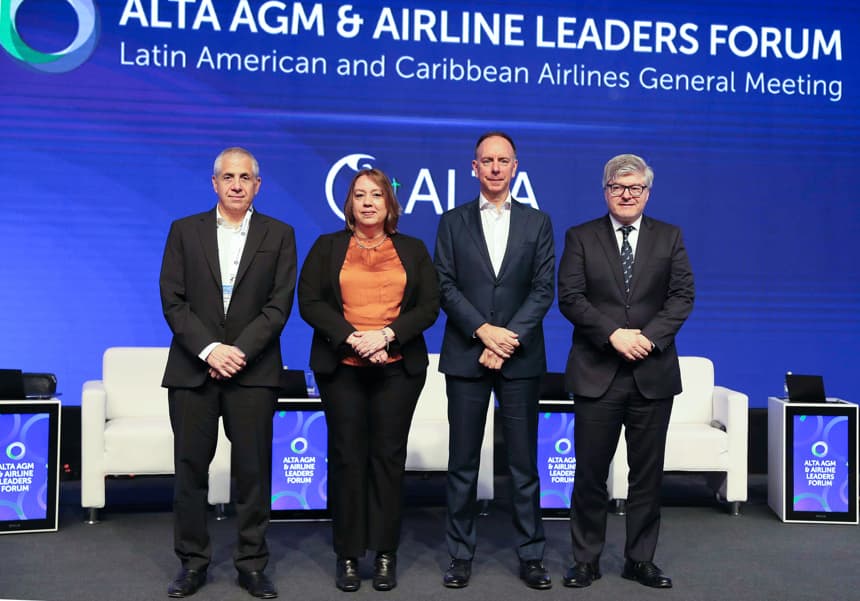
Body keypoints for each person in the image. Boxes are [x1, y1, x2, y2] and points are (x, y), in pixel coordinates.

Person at [160, 147, 297, 599]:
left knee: (254, 473)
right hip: (193, 370)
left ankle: (252, 564)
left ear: (258, 185)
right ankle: (192, 564)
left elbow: (278, 307)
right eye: (227, 176)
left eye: (245, 177)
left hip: (252, 372)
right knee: (190, 473)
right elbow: (173, 301)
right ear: (214, 183)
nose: (236, 184)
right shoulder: (184, 231)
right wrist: (210, 349)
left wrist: (236, 351)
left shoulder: (280, 234)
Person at [297, 168, 439, 592]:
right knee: (346, 458)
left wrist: (386, 336)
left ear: (389, 203)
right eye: (360, 195)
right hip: (342, 368)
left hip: (397, 368)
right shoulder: (327, 247)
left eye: (376, 194)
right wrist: (353, 338)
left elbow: (429, 305)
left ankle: (383, 553)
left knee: (387, 459)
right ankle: (347, 554)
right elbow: (310, 301)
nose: (368, 202)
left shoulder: (412, 249)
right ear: (350, 203)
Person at [557, 153, 694, 590]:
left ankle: (640, 560)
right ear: (606, 192)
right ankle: (585, 560)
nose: (627, 195)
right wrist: (614, 334)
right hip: (597, 372)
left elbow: (682, 295)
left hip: (651, 374)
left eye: (635, 188)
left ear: (647, 192)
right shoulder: (580, 236)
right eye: (618, 188)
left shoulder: (669, 237)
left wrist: (648, 338)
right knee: (590, 475)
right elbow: (571, 296)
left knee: (647, 477)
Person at [434, 132, 555, 590]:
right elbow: (445, 285)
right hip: (467, 355)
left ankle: (531, 555)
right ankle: (460, 554)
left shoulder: (538, 222)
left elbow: (544, 289)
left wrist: (506, 339)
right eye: (487, 161)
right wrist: (482, 331)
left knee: (523, 464)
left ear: (516, 167)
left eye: (504, 161)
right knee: (463, 462)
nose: (496, 168)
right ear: (474, 167)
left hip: (520, 359)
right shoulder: (451, 222)